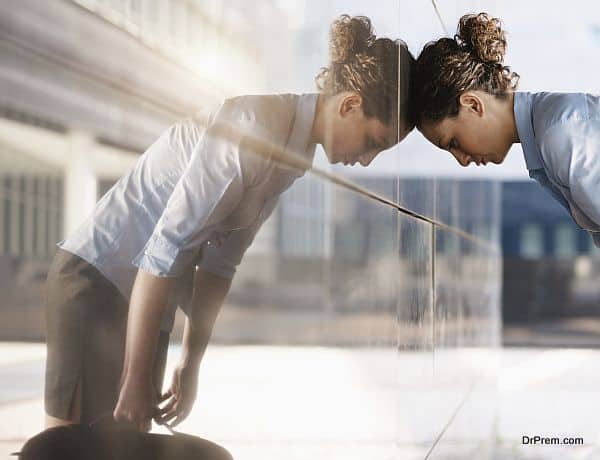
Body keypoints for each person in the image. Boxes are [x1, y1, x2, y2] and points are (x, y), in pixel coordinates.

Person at [44, 14, 415, 433]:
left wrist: (191, 362)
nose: (366, 159)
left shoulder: (295, 153)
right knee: (65, 451)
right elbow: (164, 249)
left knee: (127, 449)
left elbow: (221, 265)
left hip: (147, 303)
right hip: (97, 277)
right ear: (349, 104)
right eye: (373, 142)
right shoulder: (256, 125)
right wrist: (134, 378)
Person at [411, 12, 600, 247]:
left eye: (453, 143)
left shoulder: (558, 133)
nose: (461, 160)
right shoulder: (550, 127)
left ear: (472, 104)